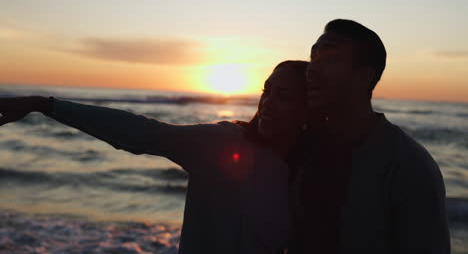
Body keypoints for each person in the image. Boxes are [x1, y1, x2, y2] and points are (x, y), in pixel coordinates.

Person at [0, 60, 309, 254]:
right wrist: (47, 105)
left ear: (308, 108)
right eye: (266, 91)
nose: (267, 103)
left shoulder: (308, 174)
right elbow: (141, 132)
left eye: (284, 97)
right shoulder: (223, 143)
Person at [288, 19, 450, 253]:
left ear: (364, 76)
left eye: (329, 59)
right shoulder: (303, 145)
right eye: (313, 58)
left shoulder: (408, 166)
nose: (312, 69)